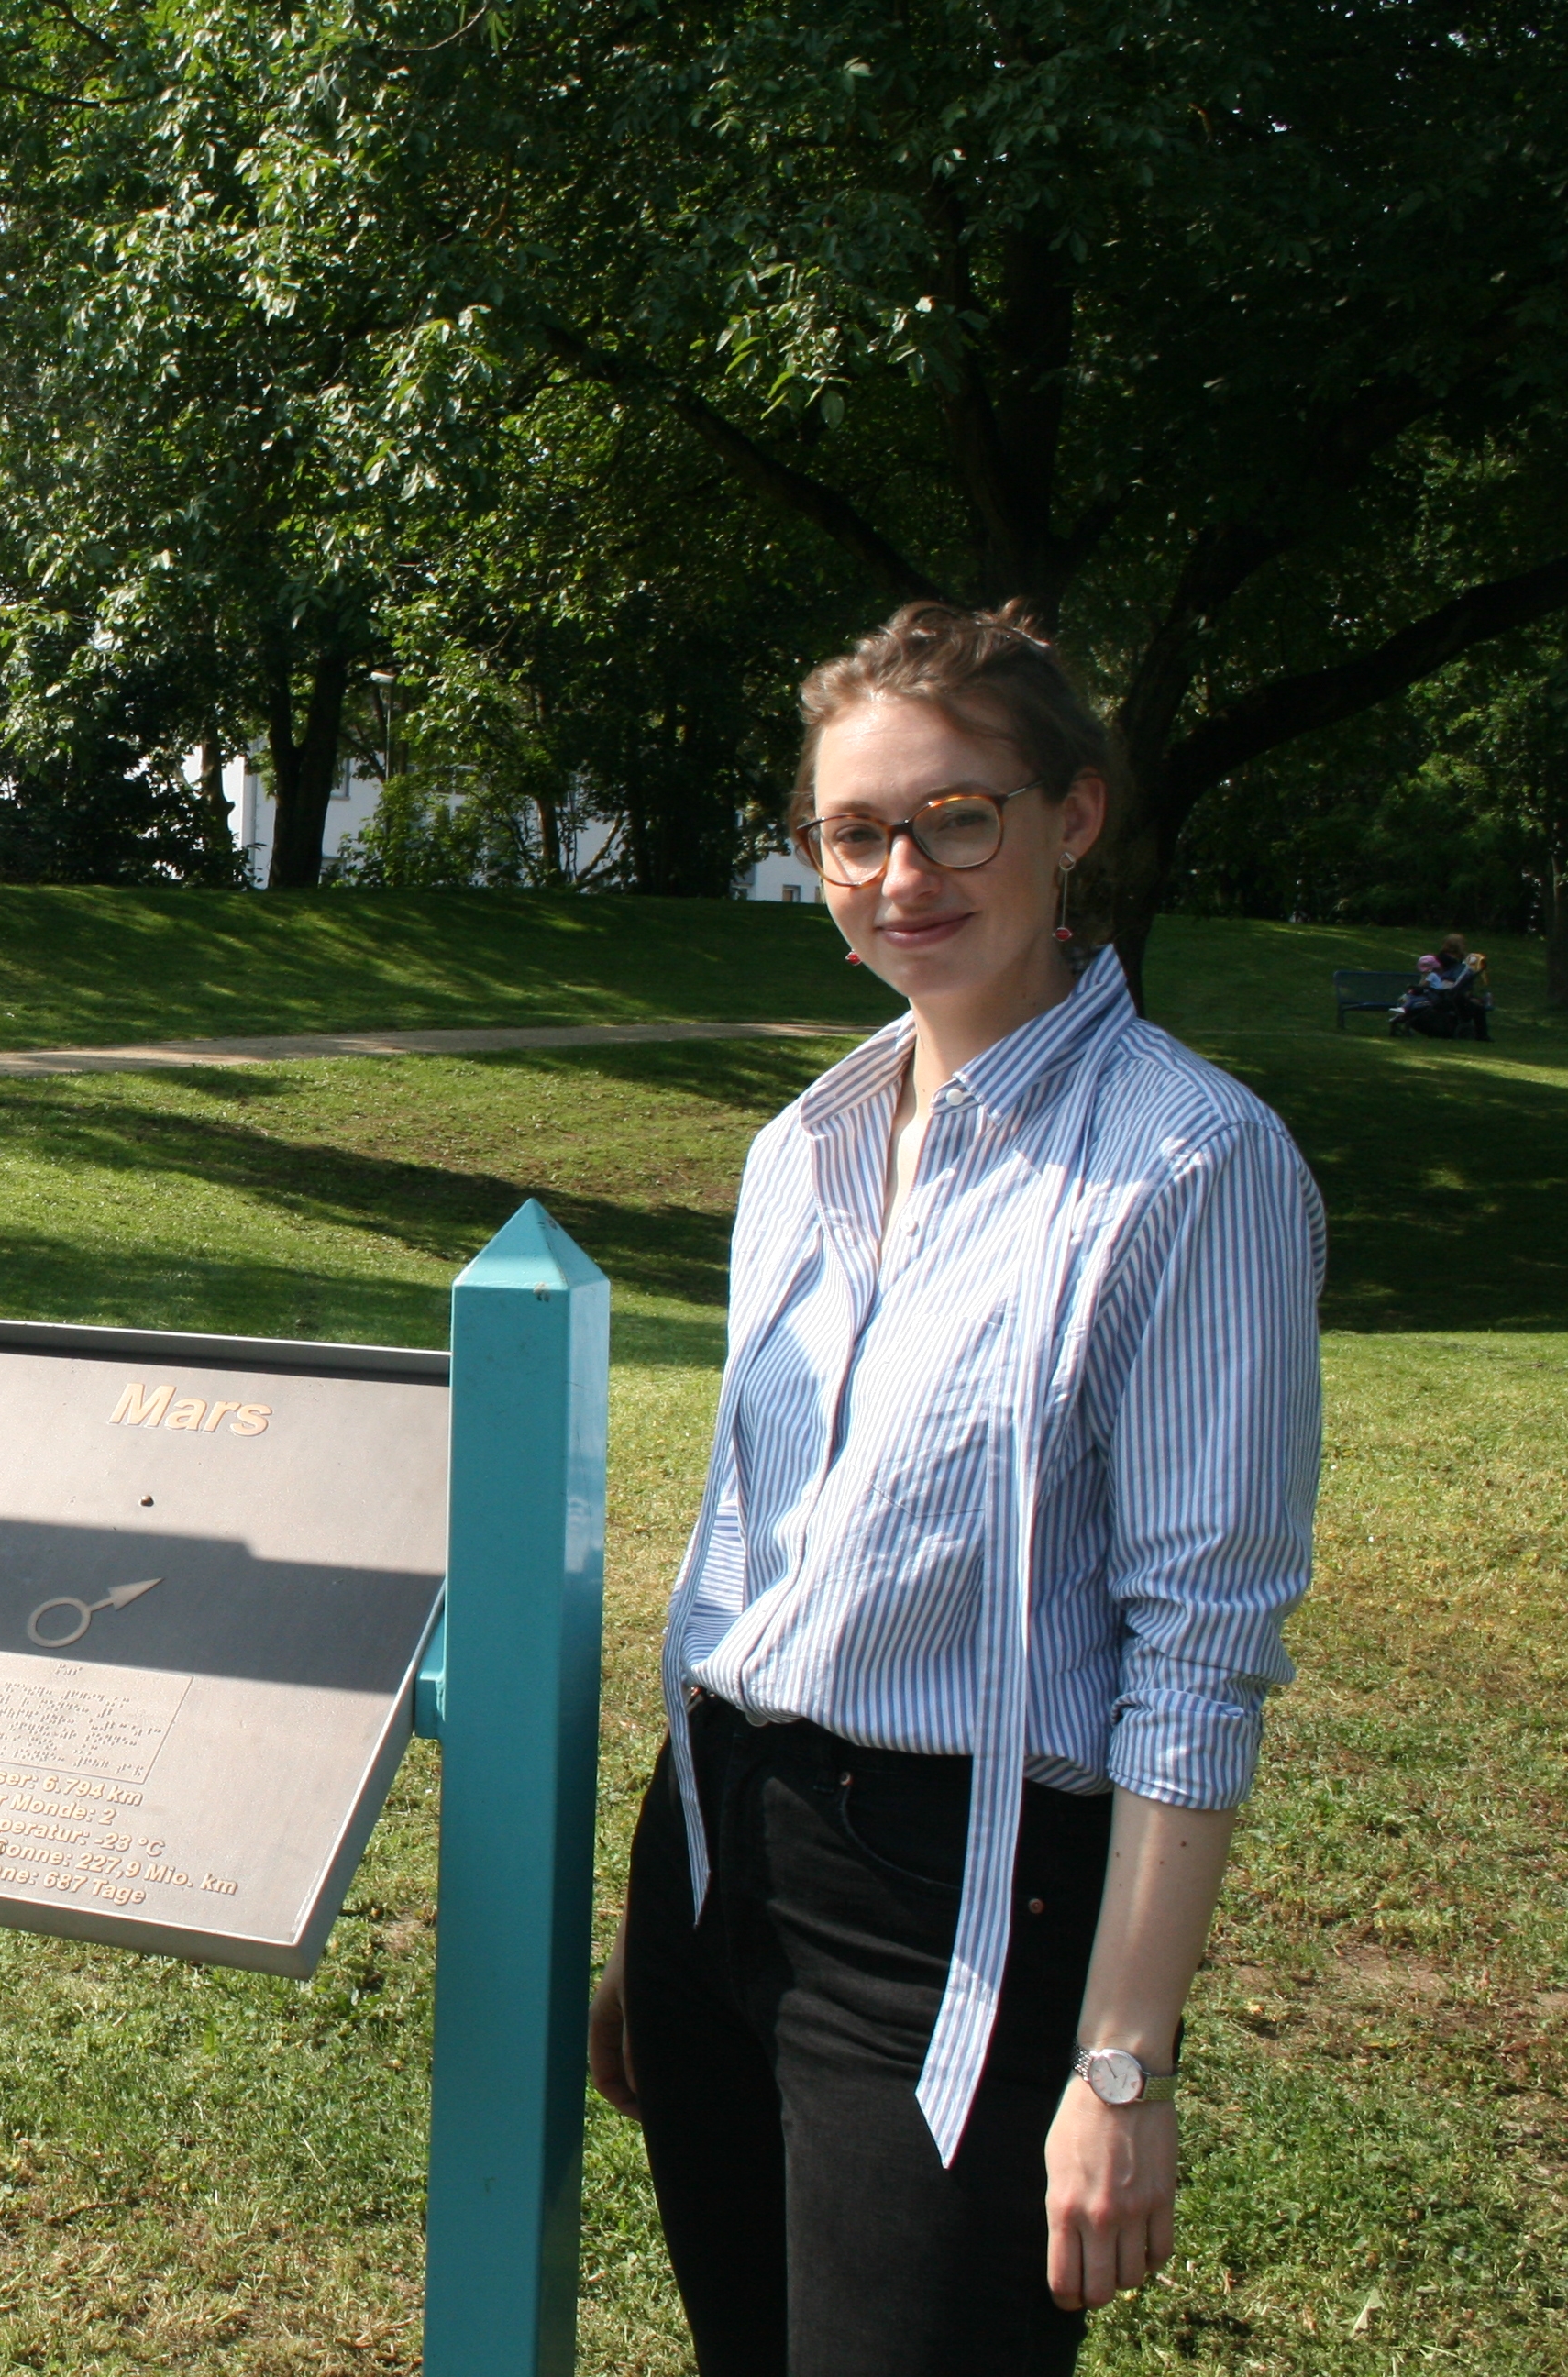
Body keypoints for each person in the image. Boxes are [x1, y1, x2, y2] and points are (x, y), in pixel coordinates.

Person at [586, 601, 1325, 2375]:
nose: (902, 874)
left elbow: (1198, 1649)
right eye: (855, 833)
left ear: (1072, 819)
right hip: (718, 1851)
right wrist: (680, 1921)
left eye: (955, 819)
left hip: (961, 1907)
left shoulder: (1192, 1164)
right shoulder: (804, 1148)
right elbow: (764, 1555)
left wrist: (1120, 2062)